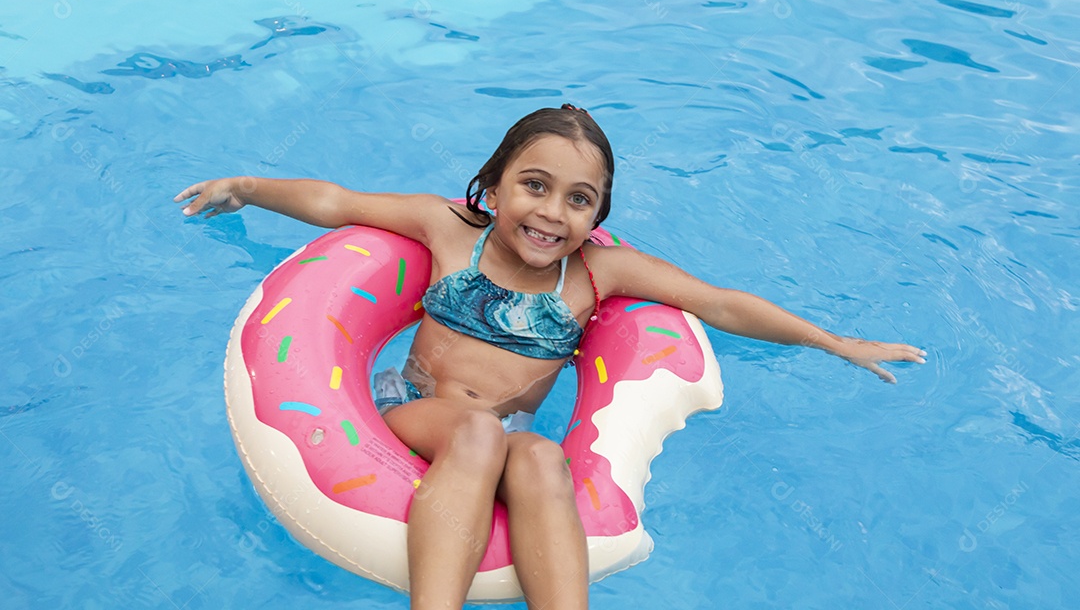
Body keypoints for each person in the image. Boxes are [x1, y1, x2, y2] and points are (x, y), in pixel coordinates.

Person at [175, 104, 925, 610]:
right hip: (410, 410)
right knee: (476, 434)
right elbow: (338, 202)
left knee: (536, 455)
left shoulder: (600, 274)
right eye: (534, 186)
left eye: (578, 199)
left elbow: (720, 301)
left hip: (498, 442)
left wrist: (834, 342)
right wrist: (247, 187)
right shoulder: (448, 229)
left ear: (598, 215)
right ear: (495, 187)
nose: (550, 213)